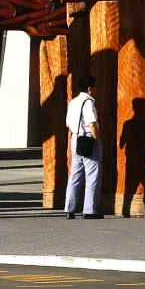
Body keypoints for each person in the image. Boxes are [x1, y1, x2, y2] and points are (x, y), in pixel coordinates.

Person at [63, 76, 101, 220]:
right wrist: (98, 140)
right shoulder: (88, 103)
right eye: (95, 87)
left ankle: (69, 209)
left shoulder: (73, 102)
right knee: (92, 175)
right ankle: (89, 210)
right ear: (90, 89)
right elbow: (92, 123)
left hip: (75, 138)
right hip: (88, 139)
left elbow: (68, 124)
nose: (96, 90)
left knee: (75, 174)